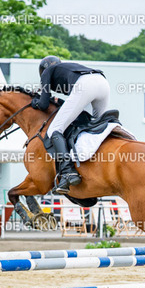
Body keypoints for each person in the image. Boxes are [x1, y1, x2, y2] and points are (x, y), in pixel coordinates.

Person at [31, 55, 110, 195]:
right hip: (103, 83)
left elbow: (43, 104)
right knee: (97, 125)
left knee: (55, 130)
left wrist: (35, 102)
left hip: (85, 86)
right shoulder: (68, 68)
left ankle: (68, 172)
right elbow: (74, 104)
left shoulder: (47, 72)